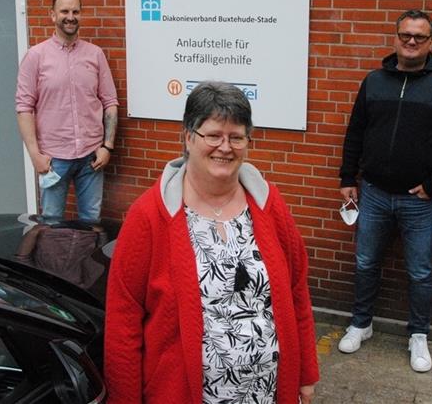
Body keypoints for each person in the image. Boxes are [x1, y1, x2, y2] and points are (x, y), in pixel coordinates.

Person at [104, 81, 319, 404]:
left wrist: (306, 374)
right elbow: (123, 323)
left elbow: (296, 293)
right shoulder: (149, 217)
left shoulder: (268, 205)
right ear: (189, 137)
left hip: (266, 393)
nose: (225, 147)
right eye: (213, 135)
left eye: (236, 137)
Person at [337, 9, 432, 373]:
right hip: (375, 192)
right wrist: (348, 178)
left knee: (420, 271)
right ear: (395, 38)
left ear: (431, 43)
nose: (411, 42)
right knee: (365, 262)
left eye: (419, 37)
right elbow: (356, 133)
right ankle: (361, 324)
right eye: (405, 35)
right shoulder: (374, 81)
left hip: (419, 200)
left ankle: (419, 336)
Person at [15, 0, 118, 222]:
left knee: (91, 220)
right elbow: (24, 107)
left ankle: (85, 261)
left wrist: (107, 147)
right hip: (53, 158)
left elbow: (110, 102)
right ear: (52, 15)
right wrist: (34, 154)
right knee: (51, 221)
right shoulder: (35, 56)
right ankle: (53, 261)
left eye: (75, 11)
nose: (70, 16)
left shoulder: (95, 55)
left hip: (91, 156)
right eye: (64, 11)